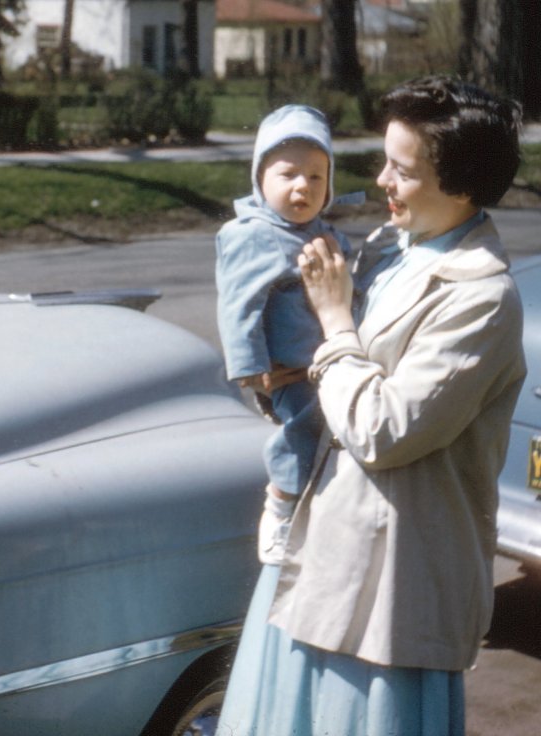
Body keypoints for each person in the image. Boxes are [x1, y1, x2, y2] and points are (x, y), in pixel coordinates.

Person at [217, 75, 525, 736]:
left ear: (463, 185)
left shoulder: (482, 298)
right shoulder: (391, 249)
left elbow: (384, 431)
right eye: (385, 159)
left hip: (391, 599)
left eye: (402, 169)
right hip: (321, 556)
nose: (381, 179)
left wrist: (332, 323)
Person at [215, 104, 360, 565]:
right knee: (301, 428)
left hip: (327, 360)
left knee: (331, 435)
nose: (303, 186)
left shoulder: (322, 232)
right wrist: (249, 366)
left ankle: (313, 509)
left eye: (317, 177)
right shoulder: (252, 236)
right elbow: (238, 304)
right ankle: (279, 504)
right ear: (261, 180)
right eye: (289, 175)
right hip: (287, 370)